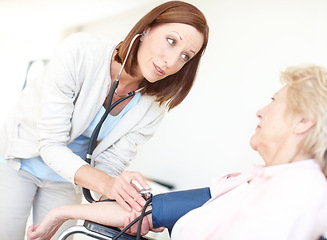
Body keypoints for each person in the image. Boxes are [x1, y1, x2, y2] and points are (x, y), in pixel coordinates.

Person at [26, 64, 327, 240]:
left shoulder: (298, 194)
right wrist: (63, 212)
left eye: (275, 101)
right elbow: (150, 211)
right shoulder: (250, 182)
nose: (260, 111)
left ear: (303, 121)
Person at [0, 1, 209, 239]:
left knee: (60, 235)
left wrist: (123, 198)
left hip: (68, 179)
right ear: (147, 29)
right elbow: (50, 143)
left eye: (185, 56)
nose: (171, 61)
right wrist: (108, 184)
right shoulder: (80, 51)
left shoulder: (153, 107)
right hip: (20, 160)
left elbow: (108, 165)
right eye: (171, 41)